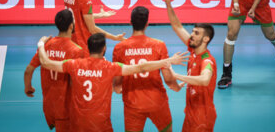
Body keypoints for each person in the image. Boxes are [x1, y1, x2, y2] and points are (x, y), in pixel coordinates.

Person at [36, 33, 189, 132]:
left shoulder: (73, 64)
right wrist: (169, 60)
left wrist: (41, 44)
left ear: (88, 48)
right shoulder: (110, 67)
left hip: (78, 124)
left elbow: (46, 62)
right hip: (101, 125)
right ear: (104, 49)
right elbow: (141, 67)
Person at [112, 6, 182, 132]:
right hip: (157, 102)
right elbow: (168, 79)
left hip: (132, 103)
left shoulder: (119, 47)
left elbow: (117, 83)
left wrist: (118, 89)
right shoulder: (159, 45)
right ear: (147, 24)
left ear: (130, 23)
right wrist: (176, 87)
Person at [24, 9, 86, 131]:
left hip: (49, 105)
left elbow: (28, 70)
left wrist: (28, 87)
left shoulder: (46, 45)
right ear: (71, 26)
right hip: (66, 107)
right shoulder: (77, 50)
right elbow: (76, 82)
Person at [165, 0, 217, 132]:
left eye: (196, 33)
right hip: (191, 111)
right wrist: (168, 3)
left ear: (206, 39)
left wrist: (176, 76)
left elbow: (205, 79)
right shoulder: (193, 51)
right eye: (193, 32)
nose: (192, 35)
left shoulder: (208, 60)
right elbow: (177, 26)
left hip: (202, 116)